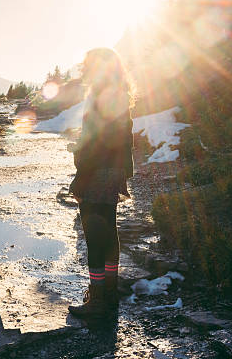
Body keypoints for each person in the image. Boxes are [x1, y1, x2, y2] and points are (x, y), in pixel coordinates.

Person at [68, 48, 134, 318]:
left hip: (97, 172)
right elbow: (121, 137)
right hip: (112, 171)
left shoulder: (101, 96)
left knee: (94, 237)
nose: (84, 69)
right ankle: (109, 290)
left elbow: (97, 143)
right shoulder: (119, 93)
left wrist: (80, 177)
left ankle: (97, 301)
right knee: (109, 232)